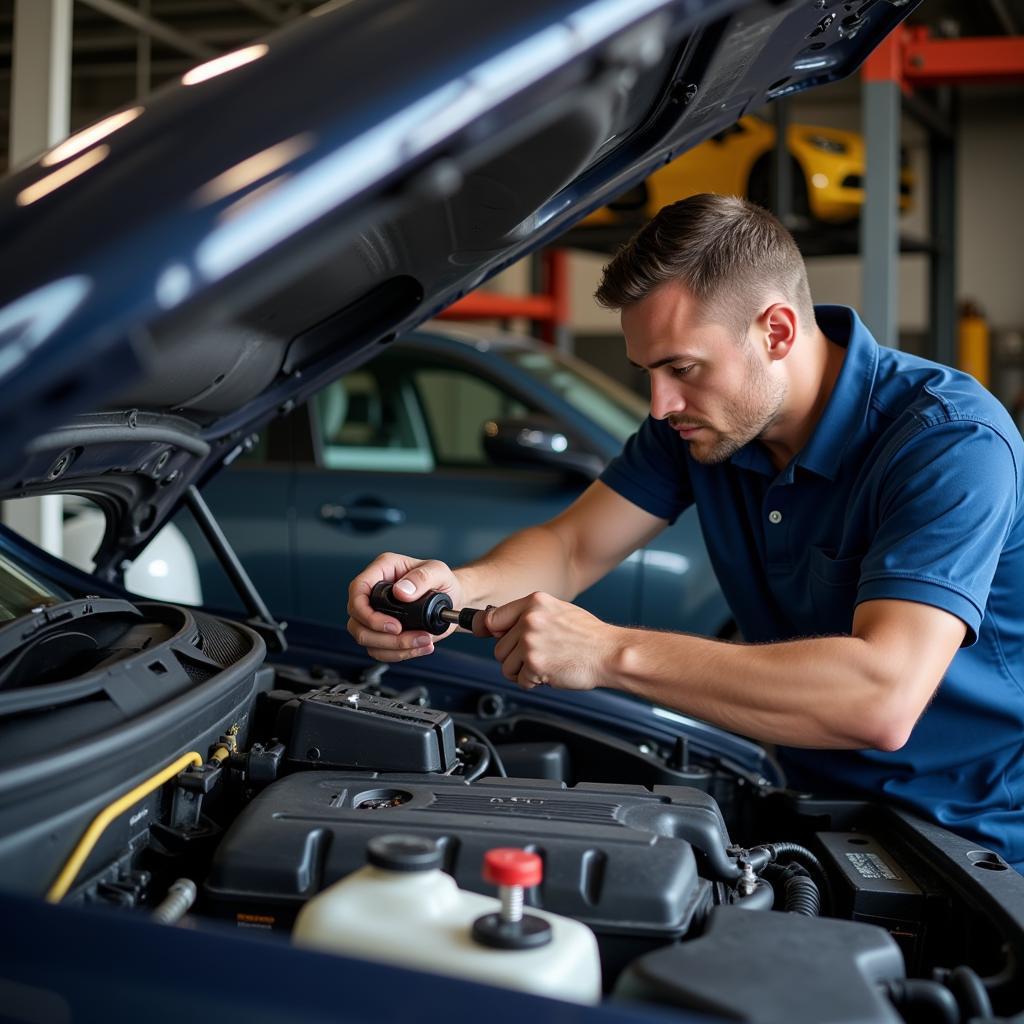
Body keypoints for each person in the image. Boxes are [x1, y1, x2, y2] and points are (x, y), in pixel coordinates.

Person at [347, 193, 1024, 871]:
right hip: (810, 809)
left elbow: (881, 697)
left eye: (683, 368)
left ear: (778, 332)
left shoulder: (949, 442)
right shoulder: (704, 427)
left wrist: (609, 653)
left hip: (972, 845)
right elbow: (571, 546)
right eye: (649, 373)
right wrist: (449, 585)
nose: (661, 405)